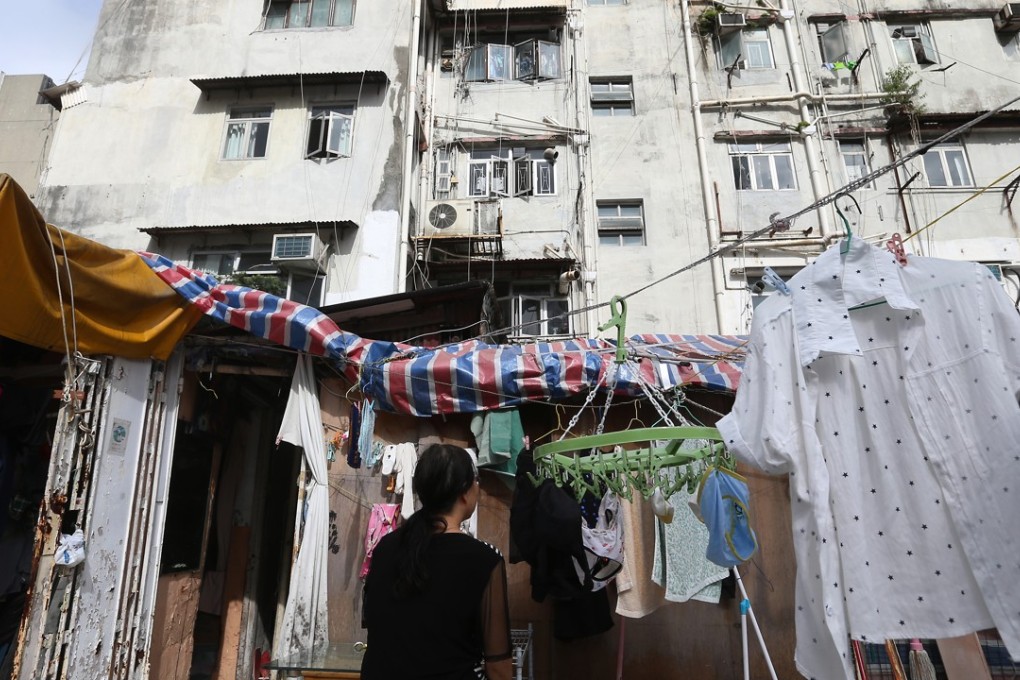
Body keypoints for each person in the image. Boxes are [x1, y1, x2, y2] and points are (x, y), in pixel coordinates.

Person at [361, 444, 513, 680]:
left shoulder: (385, 548)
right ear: (465, 490)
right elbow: (499, 668)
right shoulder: (485, 560)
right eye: (476, 480)